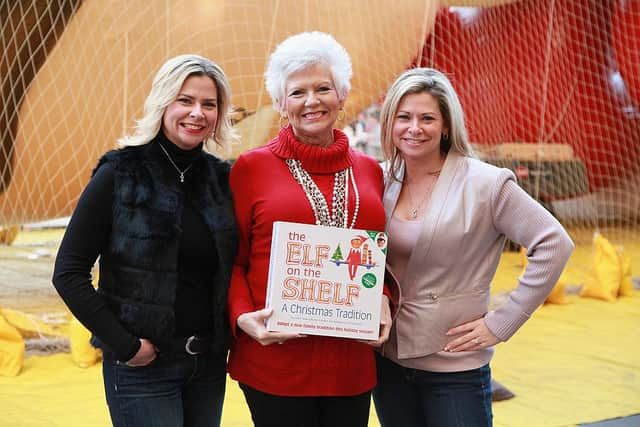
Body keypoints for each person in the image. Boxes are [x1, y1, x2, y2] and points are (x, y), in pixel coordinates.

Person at [372, 67, 574, 427]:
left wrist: (503, 322)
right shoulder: (378, 177)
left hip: (454, 366)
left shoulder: (486, 183)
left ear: (446, 125)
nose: (414, 128)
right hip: (388, 362)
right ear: (389, 122)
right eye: (404, 117)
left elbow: (555, 243)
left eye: (427, 118)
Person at [52, 54, 238, 427]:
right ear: (162, 102)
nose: (197, 113)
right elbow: (68, 272)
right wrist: (125, 345)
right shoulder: (119, 174)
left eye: (209, 104)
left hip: (207, 367)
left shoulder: (222, 179)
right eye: (185, 100)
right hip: (143, 369)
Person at [228, 31, 392, 427]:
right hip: (275, 360)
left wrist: (384, 298)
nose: (312, 101)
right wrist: (243, 317)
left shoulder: (370, 171)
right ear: (281, 104)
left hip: (350, 364)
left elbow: (376, 257)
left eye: (323, 88)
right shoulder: (250, 168)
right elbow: (232, 261)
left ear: (342, 94)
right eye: (297, 92)